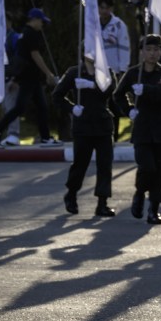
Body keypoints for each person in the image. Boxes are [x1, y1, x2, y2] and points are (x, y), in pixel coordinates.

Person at [112, 34, 161, 225]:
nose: (152, 53)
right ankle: (140, 193)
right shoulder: (134, 73)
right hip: (142, 129)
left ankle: (154, 209)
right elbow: (118, 95)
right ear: (141, 52)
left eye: (156, 49)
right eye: (148, 49)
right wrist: (129, 110)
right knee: (147, 167)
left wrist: (147, 90)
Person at [54, 52, 115, 216]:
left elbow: (110, 90)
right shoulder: (74, 73)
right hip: (83, 126)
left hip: (102, 125)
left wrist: (92, 85)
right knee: (80, 164)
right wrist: (72, 108)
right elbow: (57, 96)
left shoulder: (105, 71)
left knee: (105, 166)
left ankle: (102, 203)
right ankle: (71, 195)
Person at [0, 7, 57, 145]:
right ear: (35, 20)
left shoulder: (25, 34)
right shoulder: (30, 33)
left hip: (32, 77)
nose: (42, 24)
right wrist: (48, 73)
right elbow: (35, 55)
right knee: (20, 107)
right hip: (28, 77)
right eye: (41, 21)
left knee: (42, 107)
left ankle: (45, 137)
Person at [97, 0, 131, 86]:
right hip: (96, 69)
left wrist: (122, 70)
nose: (104, 11)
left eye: (107, 8)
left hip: (113, 71)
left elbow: (124, 49)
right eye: (102, 8)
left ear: (111, 8)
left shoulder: (119, 25)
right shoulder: (93, 24)